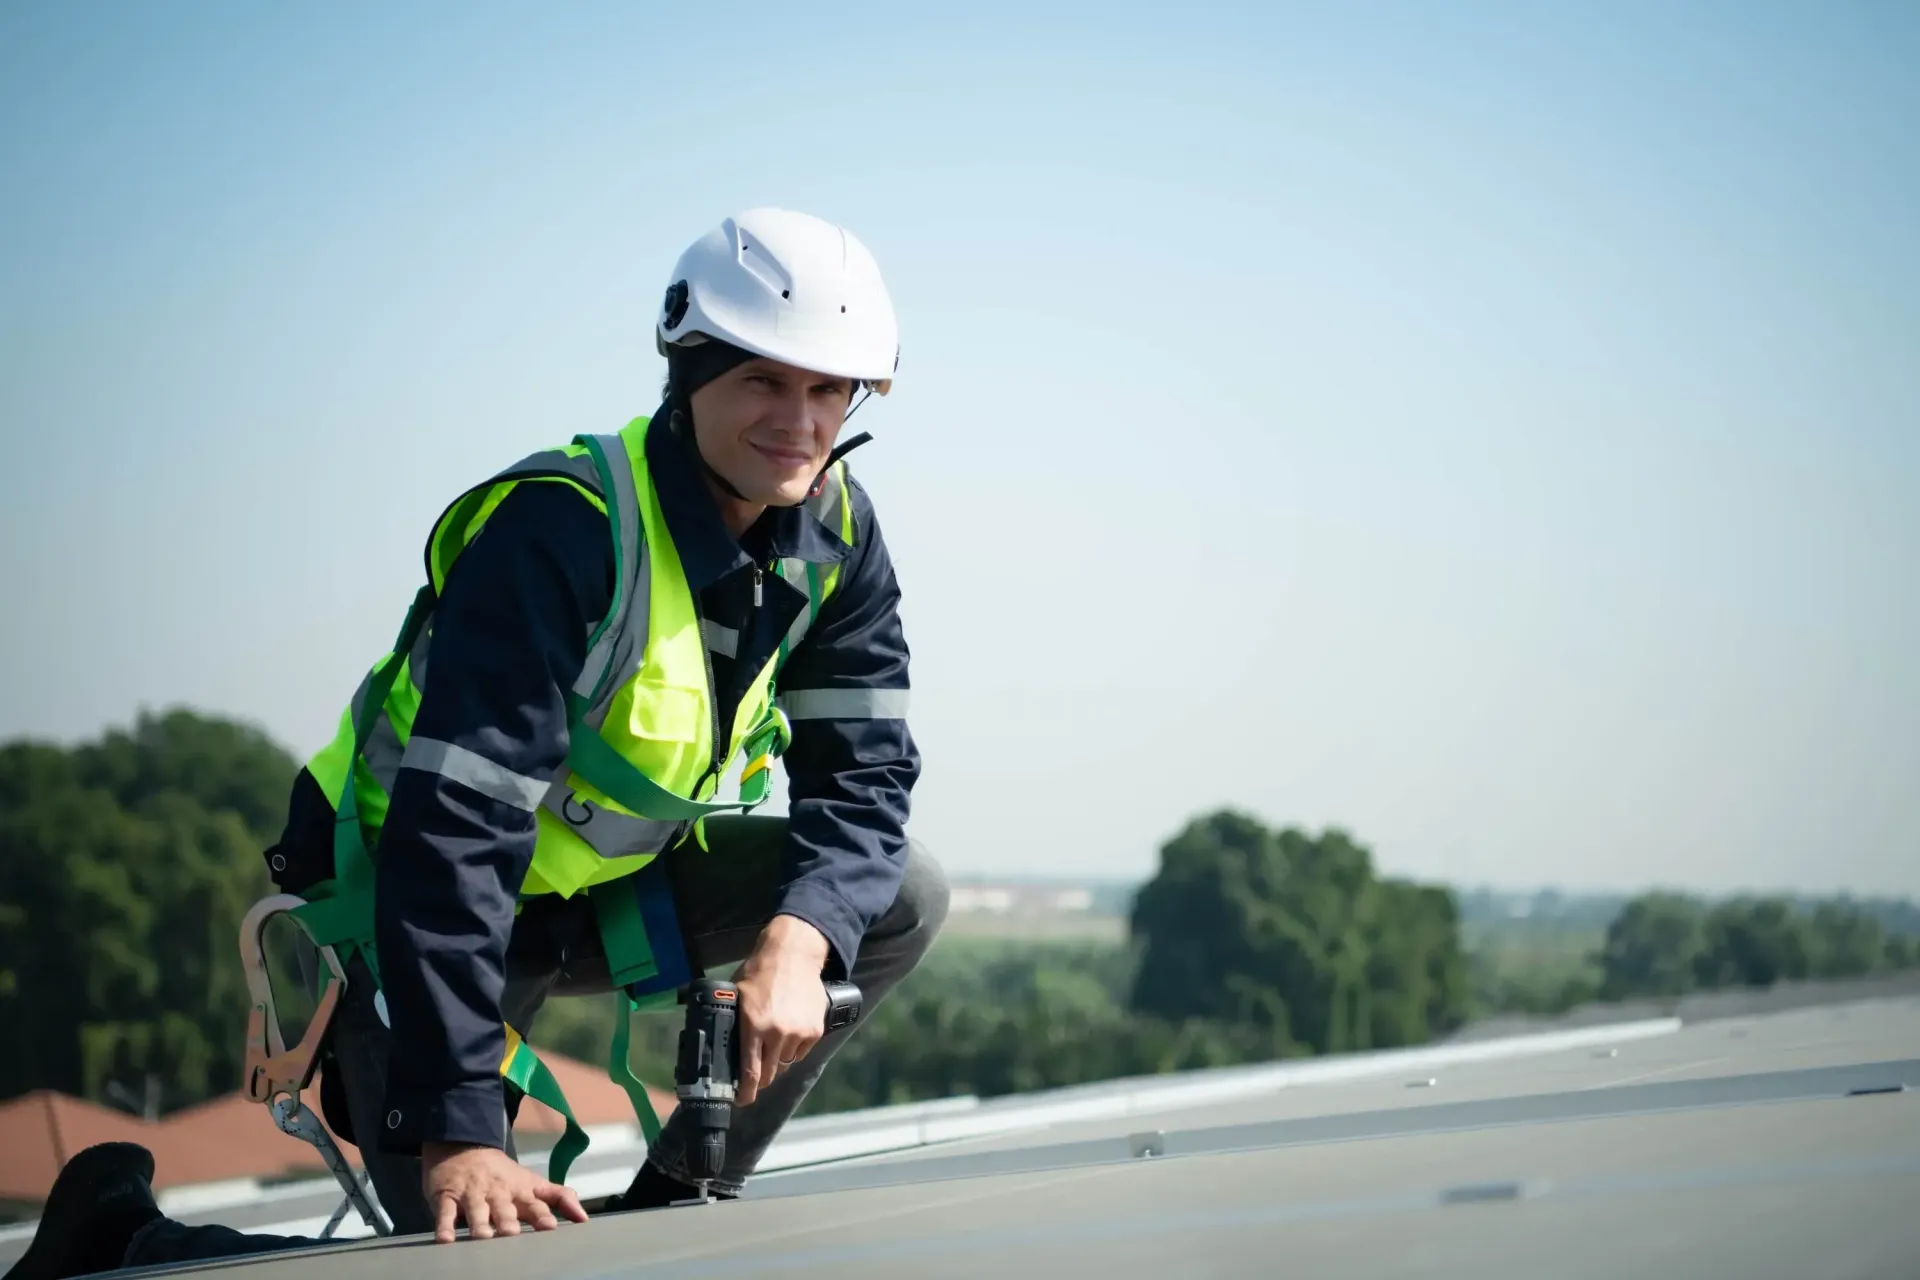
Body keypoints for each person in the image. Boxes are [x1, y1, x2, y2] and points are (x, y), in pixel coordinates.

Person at [5, 207, 947, 1280]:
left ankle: (677, 1201)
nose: (801, 421)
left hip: (597, 889)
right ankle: (125, 1237)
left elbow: (864, 782)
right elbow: (455, 833)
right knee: (455, 1261)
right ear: (688, 374)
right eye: (765, 383)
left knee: (895, 894)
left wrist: (800, 935)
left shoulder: (838, 534)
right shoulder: (566, 526)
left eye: (831, 391)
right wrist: (462, 1125)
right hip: (416, 902)